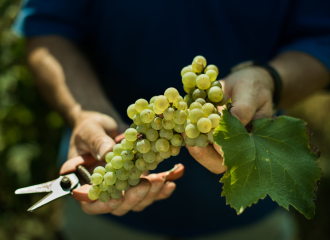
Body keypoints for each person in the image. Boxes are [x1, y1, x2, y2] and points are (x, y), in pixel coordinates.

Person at [13, 0, 330, 239]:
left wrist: (271, 78)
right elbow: (48, 29)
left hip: (250, 212)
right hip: (100, 197)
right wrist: (85, 110)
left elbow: (322, 36)